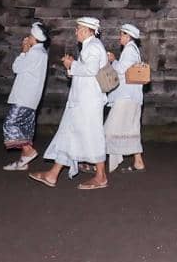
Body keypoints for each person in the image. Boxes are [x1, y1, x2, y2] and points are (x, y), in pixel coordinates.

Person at [31, 16, 109, 190]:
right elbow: (85, 72)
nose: (75, 31)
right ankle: (52, 174)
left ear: (87, 30)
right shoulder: (89, 46)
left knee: (92, 135)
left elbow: (90, 70)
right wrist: (72, 69)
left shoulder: (94, 47)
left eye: (78, 28)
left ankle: (101, 176)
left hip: (88, 103)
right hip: (80, 101)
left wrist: (71, 63)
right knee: (68, 134)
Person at [2, 22, 49, 170]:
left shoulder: (35, 53)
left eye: (29, 35)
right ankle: (23, 162)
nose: (27, 37)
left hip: (24, 97)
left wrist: (23, 51)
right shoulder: (41, 52)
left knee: (10, 124)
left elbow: (16, 68)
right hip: (31, 98)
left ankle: (28, 151)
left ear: (34, 38)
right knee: (25, 127)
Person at [105, 23, 146, 173]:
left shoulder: (129, 50)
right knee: (129, 128)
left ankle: (97, 162)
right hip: (131, 96)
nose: (119, 37)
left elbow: (122, 70)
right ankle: (138, 161)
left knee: (110, 128)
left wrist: (113, 60)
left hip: (127, 97)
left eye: (121, 34)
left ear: (128, 36)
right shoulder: (133, 50)